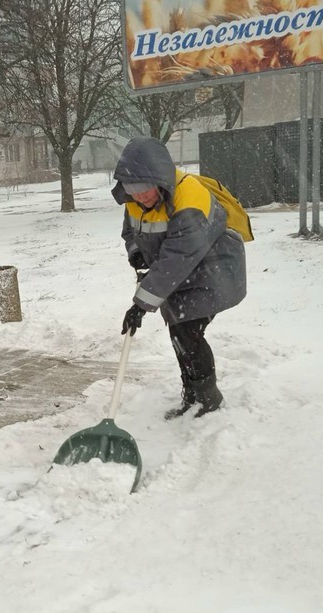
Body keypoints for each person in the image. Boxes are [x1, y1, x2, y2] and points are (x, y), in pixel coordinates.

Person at [112, 137, 247, 418]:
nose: (139, 196)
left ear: (159, 179)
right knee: (180, 331)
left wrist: (141, 305)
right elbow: (131, 231)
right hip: (182, 274)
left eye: (144, 189)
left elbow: (177, 258)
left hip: (215, 269)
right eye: (132, 189)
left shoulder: (190, 201)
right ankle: (193, 395)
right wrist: (136, 252)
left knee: (187, 331)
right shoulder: (135, 199)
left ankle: (208, 399)